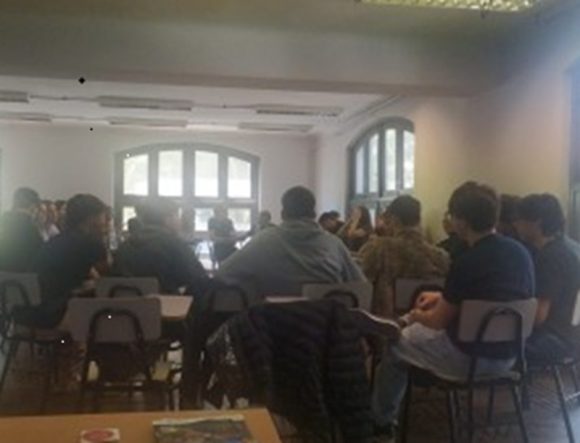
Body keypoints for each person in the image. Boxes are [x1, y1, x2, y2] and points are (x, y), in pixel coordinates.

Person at [372, 182, 535, 440]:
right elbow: (494, 298)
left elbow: (437, 321)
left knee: (394, 341)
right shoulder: (521, 253)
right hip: (510, 357)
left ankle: (381, 422)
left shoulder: (467, 261)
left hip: (466, 360)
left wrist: (414, 316)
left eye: (451, 215)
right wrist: (442, 296)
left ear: (462, 221)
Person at [216, 186, 366, 298]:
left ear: (282, 214)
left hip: (273, 327)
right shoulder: (334, 244)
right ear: (314, 214)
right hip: (324, 328)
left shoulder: (263, 241)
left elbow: (223, 274)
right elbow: (361, 286)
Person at [15, 194, 110, 329]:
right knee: (108, 305)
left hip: (25, 311)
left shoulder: (56, 241)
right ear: (91, 218)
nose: (106, 222)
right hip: (52, 314)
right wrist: (103, 238)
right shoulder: (91, 244)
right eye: (103, 216)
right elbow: (107, 279)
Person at [514, 194, 580, 364]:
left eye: (520, 219)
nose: (515, 224)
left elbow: (538, 317)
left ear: (536, 222)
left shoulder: (549, 258)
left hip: (552, 340)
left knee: (493, 346)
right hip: (570, 335)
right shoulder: (567, 251)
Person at [360, 196, 450, 318]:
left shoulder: (379, 248)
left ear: (394, 220)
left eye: (388, 222)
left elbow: (361, 282)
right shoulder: (441, 257)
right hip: (427, 322)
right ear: (418, 220)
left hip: (387, 323)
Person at [113, 198, 210, 296]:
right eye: (177, 216)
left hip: (127, 304)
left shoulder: (124, 247)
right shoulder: (174, 245)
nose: (180, 221)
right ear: (168, 219)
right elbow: (200, 279)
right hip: (166, 303)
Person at [0, 187, 44, 271]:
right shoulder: (29, 227)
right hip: (22, 273)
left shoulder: (3, 221)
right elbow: (39, 252)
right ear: (33, 206)